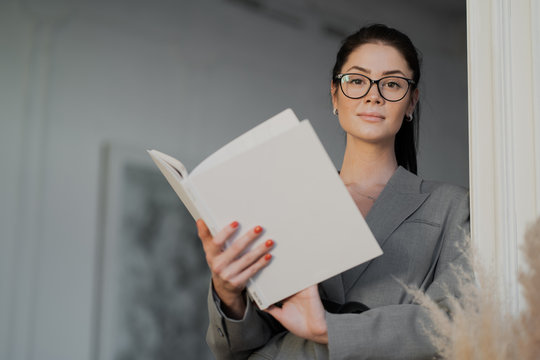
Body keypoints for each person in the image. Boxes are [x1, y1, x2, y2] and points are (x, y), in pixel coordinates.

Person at [197, 24, 470, 359]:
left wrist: (329, 329)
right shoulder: (284, 195)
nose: (374, 95)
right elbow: (238, 348)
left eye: (392, 84)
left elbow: (456, 323)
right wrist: (228, 294)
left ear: (411, 102)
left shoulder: (452, 207)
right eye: (357, 80)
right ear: (334, 94)